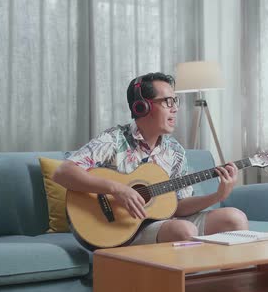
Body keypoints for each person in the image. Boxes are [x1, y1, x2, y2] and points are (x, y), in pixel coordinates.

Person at [52, 72, 248, 245]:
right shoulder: (114, 139)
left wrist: (217, 196)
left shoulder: (175, 151)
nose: (175, 109)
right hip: (120, 227)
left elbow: (179, 206)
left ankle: (234, 285)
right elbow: (63, 172)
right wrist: (117, 189)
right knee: (183, 230)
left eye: (175, 101)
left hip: (161, 223)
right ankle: (183, 287)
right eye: (167, 102)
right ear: (142, 107)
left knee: (234, 218)